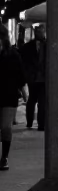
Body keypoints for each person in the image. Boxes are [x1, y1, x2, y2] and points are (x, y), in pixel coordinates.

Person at [0, 25, 28, 170]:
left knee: (5, 126)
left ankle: (4, 157)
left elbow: (21, 75)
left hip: (9, 96)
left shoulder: (12, 54)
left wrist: (24, 92)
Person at [19, 25, 47, 131]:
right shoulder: (28, 47)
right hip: (33, 78)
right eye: (40, 32)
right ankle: (30, 122)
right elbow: (23, 61)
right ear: (36, 33)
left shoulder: (47, 45)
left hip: (43, 78)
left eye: (43, 31)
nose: (42, 34)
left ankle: (41, 124)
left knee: (41, 101)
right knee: (32, 100)